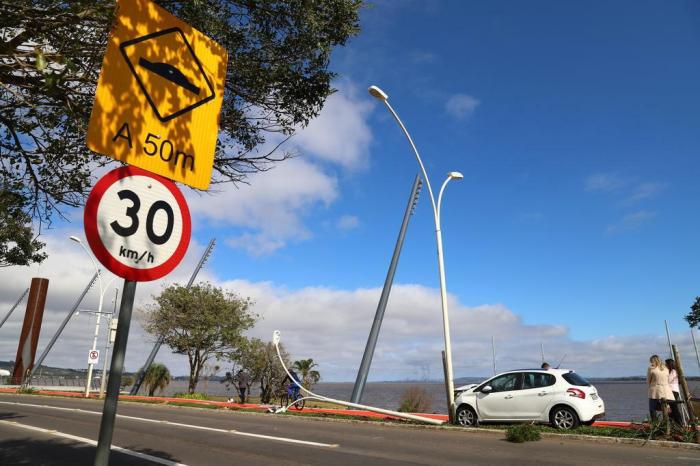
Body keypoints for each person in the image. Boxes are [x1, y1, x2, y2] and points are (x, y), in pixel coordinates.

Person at [647, 354, 674, 422]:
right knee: (666, 407)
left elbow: (648, 381)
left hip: (655, 391)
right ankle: (669, 422)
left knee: (652, 408)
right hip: (666, 391)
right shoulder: (666, 369)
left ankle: (655, 423)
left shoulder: (651, 368)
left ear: (653, 361)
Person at [665, 359, 683, 424]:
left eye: (666, 364)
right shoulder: (671, 371)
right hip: (671, 391)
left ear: (669, 364)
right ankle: (674, 422)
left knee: (674, 408)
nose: (665, 365)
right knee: (671, 408)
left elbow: (668, 380)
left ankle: (680, 423)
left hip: (673, 391)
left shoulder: (673, 372)